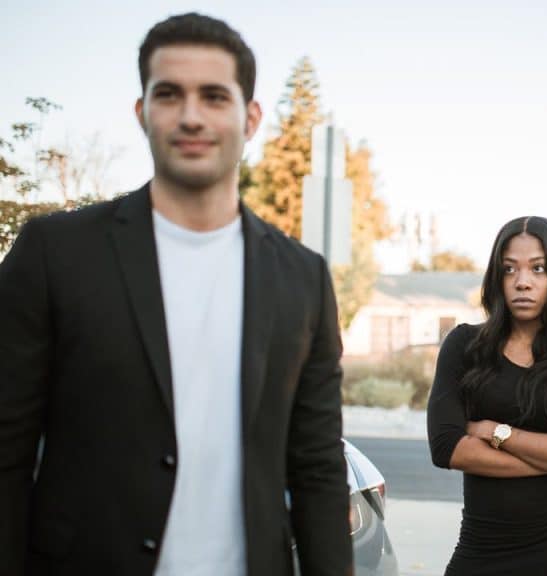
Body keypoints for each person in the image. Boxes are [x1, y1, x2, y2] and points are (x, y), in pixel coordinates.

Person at [0, 13, 352, 576]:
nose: (191, 116)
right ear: (143, 113)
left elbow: (317, 468)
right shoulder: (55, 254)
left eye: (214, 96)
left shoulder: (302, 277)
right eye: (169, 95)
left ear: (250, 117)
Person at [427, 216, 547, 575]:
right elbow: (447, 448)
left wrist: (496, 433)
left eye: (538, 269)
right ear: (496, 278)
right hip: (482, 547)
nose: (523, 282)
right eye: (509, 269)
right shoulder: (464, 346)